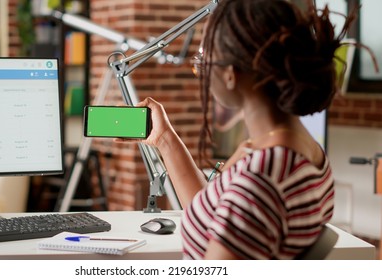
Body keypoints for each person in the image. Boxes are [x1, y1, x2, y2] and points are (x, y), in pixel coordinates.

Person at [118, 0, 367, 259]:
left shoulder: (261, 179)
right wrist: (165, 139)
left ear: (229, 74)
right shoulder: (296, 149)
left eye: (203, 59)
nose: (199, 70)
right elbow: (214, 215)